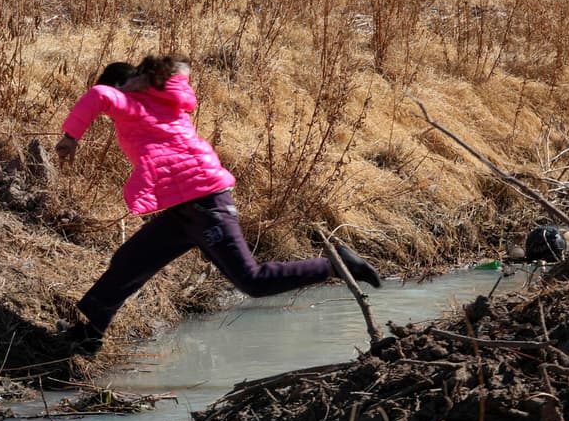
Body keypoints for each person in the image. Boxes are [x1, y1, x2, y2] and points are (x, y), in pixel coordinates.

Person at [55, 56, 381, 355]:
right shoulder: (162, 102)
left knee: (252, 281)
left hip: (205, 204)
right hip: (184, 209)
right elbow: (178, 67)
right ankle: (90, 333)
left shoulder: (130, 101)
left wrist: (70, 136)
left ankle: (337, 265)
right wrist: (150, 76)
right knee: (130, 261)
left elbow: (99, 95)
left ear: (121, 85)